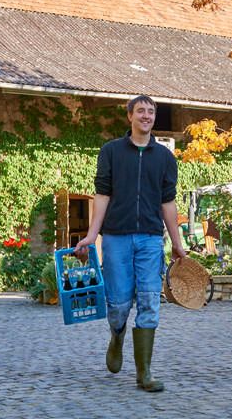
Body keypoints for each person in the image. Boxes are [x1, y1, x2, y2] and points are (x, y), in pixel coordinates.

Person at [74, 95, 188, 392]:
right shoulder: (111, 151)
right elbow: (102, 196)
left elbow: (168, 202)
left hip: (150, 239)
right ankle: (117, 334)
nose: (146, 116)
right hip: (116, 238)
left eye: (151, 112)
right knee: (119, 304)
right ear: (130, 116)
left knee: (150, 300)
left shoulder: (165, 158)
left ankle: (145, 373)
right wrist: (91, 235)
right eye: (141, 111)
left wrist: (176, 243)